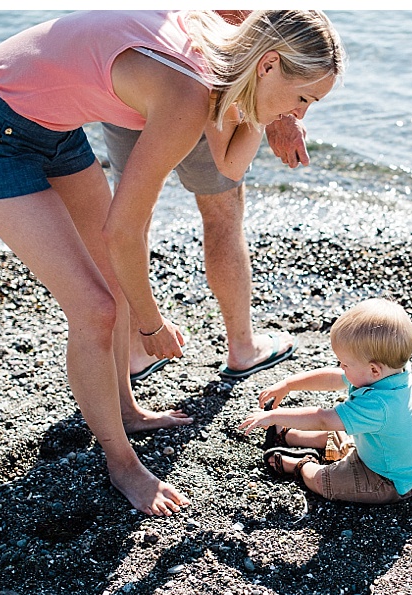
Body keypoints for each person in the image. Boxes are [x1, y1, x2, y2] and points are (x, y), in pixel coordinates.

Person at [0, 10, 345, 515]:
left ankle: (125, 411)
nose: (301, 115)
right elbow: (123, 231)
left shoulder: (223, 62)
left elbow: (228, 164)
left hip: (48, 126)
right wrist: (151, 327)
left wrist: (271, 114)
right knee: (96, 309)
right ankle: (122, 464)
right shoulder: (187, 95)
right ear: (268, 64)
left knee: (113, 280)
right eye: (303, 98)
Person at [107, 10, 307, 385]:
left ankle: (135, 350)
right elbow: (247, 24)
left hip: (128, 65)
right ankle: (242, 347)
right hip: (197, 77)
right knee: (221, 212)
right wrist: (280, 113)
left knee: (132, 213)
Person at [238, 298, 412, 504]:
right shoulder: (389, 371)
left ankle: (301, 465)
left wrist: (274, 415)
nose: (341, 366)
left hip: (389, 480)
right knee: (343, 427)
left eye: (346, 363)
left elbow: (322, 419)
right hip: (381, 453)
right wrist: (289, 384)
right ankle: (291, 436)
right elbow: (333, 377)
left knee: (323, 481)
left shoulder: (379, 404)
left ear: (373, 369)